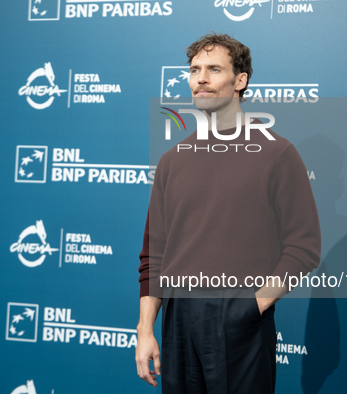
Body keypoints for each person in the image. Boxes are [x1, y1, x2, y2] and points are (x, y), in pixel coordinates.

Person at [136, 32, 321, 393]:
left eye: (214, 69)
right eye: (194, 69)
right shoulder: (172, 161)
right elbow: (153, 256)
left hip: (241, 317)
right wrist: (146, 330)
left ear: (240, 81)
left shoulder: (277, 154)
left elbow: (303, 247)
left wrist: (253, 306)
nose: (201, 78)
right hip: (178, 321)